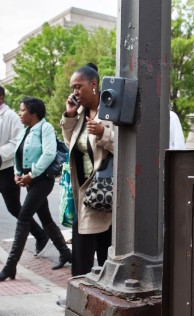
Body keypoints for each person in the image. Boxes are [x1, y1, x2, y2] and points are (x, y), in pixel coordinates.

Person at [0, 97, 72, 281]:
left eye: (22, 110)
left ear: (33, 112)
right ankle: (66, 253)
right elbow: (17, 154)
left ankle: (10, 267)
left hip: (42, 179)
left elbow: (49, 153)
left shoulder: (46, 128)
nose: (20, 113)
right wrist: (17, 173)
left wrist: (32, 174)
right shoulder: (25, 131)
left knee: (23, 217)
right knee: (45, 219)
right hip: (30, 179)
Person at [0, 84, 49, 259]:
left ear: (1, 97)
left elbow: (17, 141)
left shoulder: (10, 116)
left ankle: (41, 235)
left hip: (6, 168)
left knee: (14, 207)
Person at [61, 63, 114, 276]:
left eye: (78, 86)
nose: (75, 92)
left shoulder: (111, 111)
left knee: (103, 246)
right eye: (72, 87)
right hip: (83, 189)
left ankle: (97, 292)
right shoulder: (81, 113)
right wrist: (70, 115)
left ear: (93, 84)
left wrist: (104, 133)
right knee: (82, 245)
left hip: (103, 189)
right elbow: (70, 144)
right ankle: (79, 290)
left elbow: (128, 148)